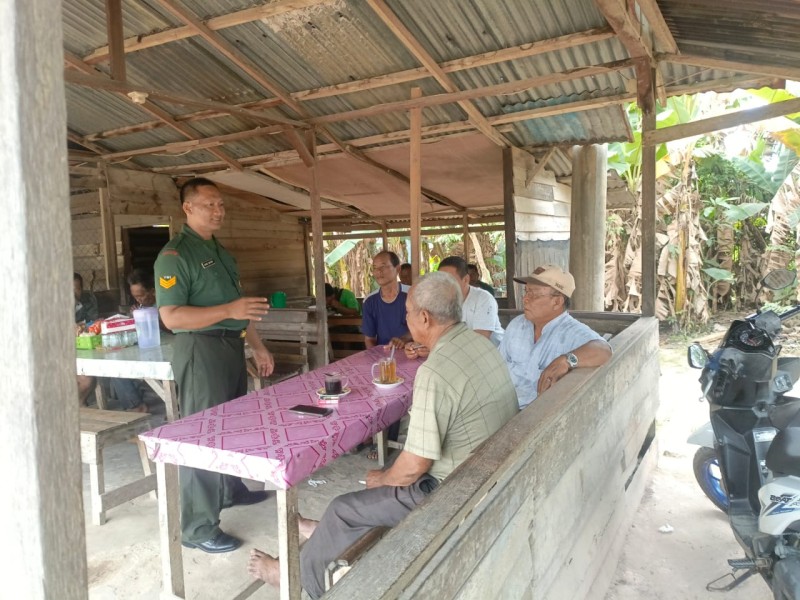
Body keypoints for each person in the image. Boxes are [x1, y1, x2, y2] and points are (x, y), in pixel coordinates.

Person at [247, 272, 519, 598]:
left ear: (424, 318)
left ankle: (294, 575)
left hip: (452, 491)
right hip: (487, 469)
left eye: (407, 312)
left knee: (343, 507)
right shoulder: (479, 343)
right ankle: (324, 536)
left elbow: (414, 466)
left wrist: (384, 477)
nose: (405, 319)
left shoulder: (435, 371)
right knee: (361, 502)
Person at [155, 177, 276, 554]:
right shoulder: (174, 256)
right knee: (202, 436)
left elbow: (240, 309)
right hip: (200, 351)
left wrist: (257, 345)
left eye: (221, 204)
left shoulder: (222, 253)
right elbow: (172, 317)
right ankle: (196, 527)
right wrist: (229, 311)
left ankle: (230, 488)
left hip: (229, 349)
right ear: (188, 208)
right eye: (210, 204)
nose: (218, 210)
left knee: (231, 427)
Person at [499, 265, 612, 409]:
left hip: (536, 417)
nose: (525, 299)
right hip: (502, 407)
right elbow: (498, 367)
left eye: (534, 294)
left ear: (557, 302)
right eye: (526, 291)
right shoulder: (517, 325)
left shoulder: (571, 332)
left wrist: (567, 360)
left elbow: (604, 350)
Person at [109, 269, 161, 413]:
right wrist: (136, 318)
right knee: (116, 365)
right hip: (146, 349)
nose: (138, 299)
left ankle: (136, 405)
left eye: (141, 295)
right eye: (135, 296)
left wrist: (151, 316)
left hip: (164, 349)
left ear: (153, 291)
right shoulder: (142, 307)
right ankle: (135, 405)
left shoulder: (165, 304)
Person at [361, 251, 411, 350]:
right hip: (384, 356)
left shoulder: (413, 294)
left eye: (383, 266)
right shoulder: (369, 301)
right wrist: (376, 358)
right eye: (375, 268)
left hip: (412, 353)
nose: (378, 271)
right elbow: (369, 339)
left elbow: (424, 328)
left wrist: (404, 339)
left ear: (397, 269)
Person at [75, 272, 99, 405]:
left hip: (85, 348)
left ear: (81, 289)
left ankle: (80, 404)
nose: (73, 293)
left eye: (76, 289)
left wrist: (82, 326)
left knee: (87, 379)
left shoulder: (88, 300)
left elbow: (94, 322)